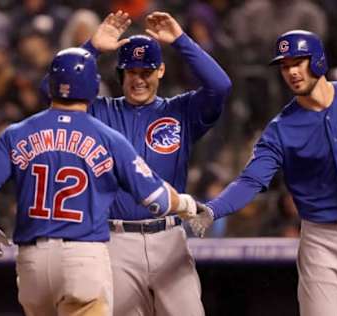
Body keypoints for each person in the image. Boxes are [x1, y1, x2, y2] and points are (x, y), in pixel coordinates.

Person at [189, 30, 337, 316]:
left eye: (298, 62)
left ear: (317, 60)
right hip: (321, 242)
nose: (291, 71)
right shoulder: (281, 129)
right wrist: (214, 209)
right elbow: (252, 180)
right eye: (284, 65)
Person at [0, 47, 197, 316]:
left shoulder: (15, 133)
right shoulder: (107, 137)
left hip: (32, 261)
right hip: (82, 257)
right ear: (93, 86)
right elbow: (156, 200)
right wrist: (187, 204)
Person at [41, 10, 231, 316]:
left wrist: (181, 41)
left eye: (146, 71)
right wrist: (91, 48)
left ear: (161, 72)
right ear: (121, 74)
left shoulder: (181, 111)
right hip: (115, 241)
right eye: (132, 72)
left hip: (170, 238)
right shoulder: (98, 113)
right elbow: (50, 91)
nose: (139, 79)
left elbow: (220, 86)